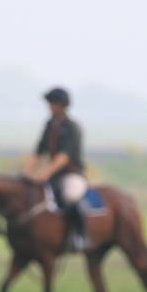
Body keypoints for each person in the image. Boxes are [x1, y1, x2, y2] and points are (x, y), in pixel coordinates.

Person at [25, 86, 90, 251]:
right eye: (50, 104)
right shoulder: (49, 125)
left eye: (53, 104)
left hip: (71, 175)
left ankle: (80, 235)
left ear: (63, 106)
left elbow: (64, 157)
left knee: (70, 196)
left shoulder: (72, 127)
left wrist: (45, 173)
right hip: (53, 177)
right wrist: (26, 174)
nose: (50, 107)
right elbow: (39, 152)